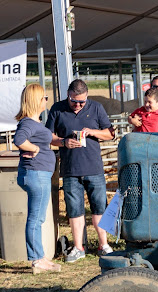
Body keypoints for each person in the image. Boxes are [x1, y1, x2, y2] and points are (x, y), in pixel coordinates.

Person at [45, 79, 115, 262]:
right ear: (68, 95)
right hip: (70, 170)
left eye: (81, 102)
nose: (77, 105)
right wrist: (63, 142)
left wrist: (92, 132)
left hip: (94, 168)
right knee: (74, 210)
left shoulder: (97, 108)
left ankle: (104, 245)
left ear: (87, 98)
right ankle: (78, 247)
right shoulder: (57, 108)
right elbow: (48, 136)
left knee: (99, 208)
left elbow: (110, 133)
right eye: (73, 101)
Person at [14, 84, 64, 273]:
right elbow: (19, 140)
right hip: (36, 174)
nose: (46, 101)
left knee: (38, 217)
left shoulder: (34, 123)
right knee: (36, 218)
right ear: (36, 100)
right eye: (44, 97)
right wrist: (34, 149)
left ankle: (40, 256)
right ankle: (37, 259)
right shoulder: (28, 123)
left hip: (38, 174)